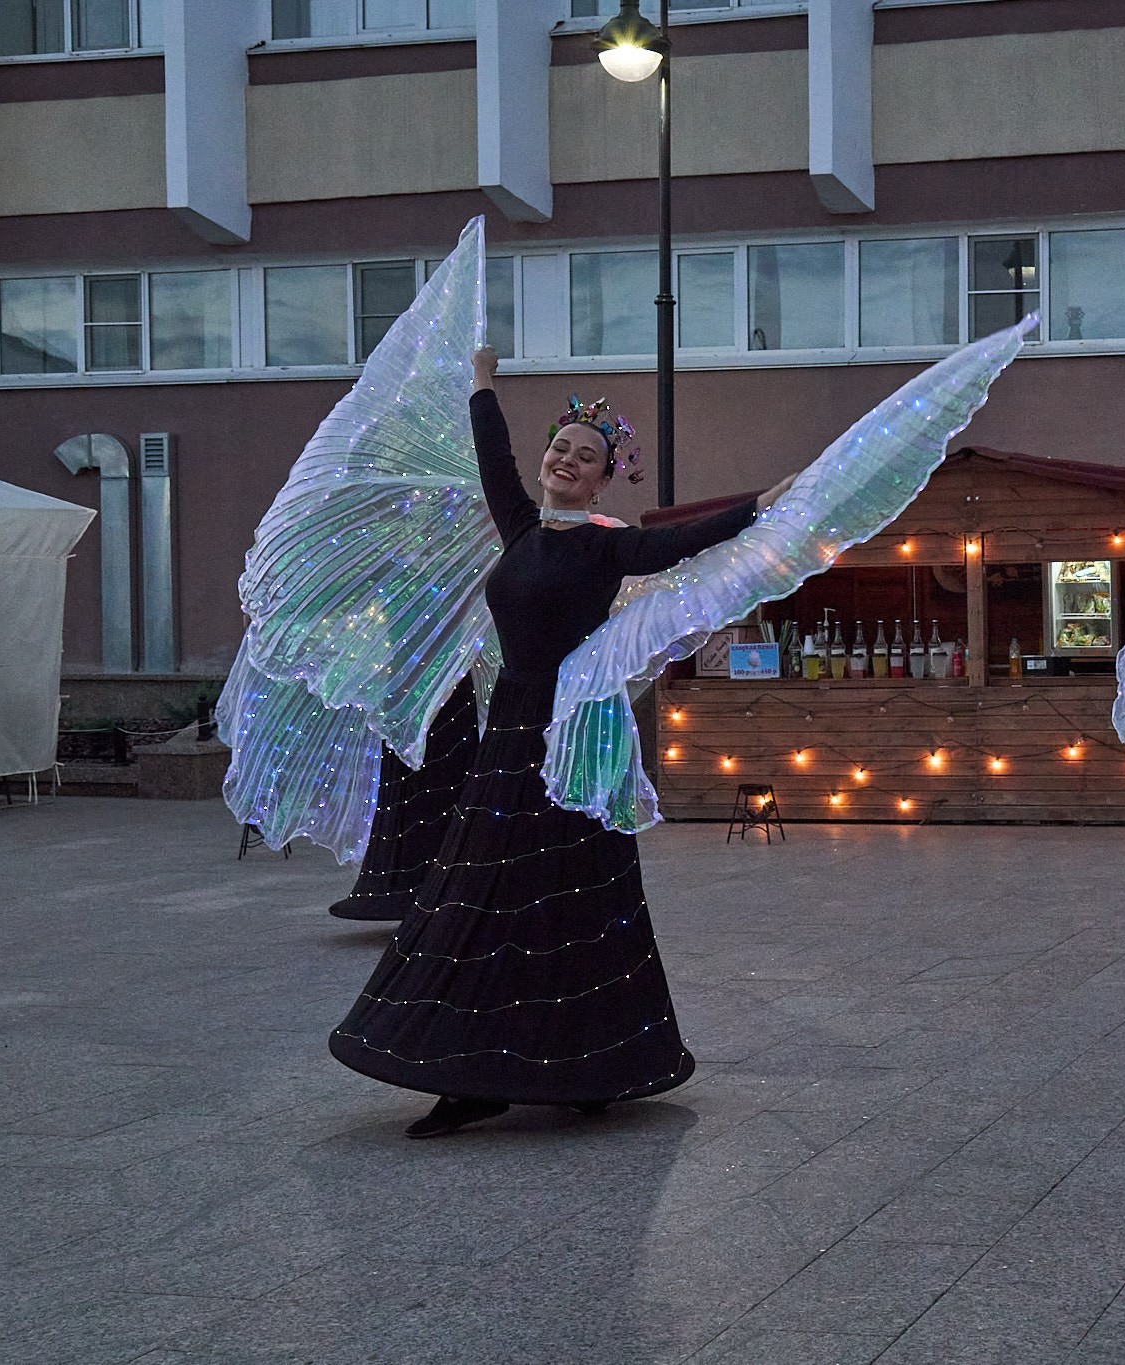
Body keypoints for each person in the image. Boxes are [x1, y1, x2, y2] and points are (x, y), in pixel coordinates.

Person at [330, 347, 798, 1137]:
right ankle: (469, 1074)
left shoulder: (607, 548)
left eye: (586, 456)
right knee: (480, 895)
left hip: (574, 738)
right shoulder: (518, 526)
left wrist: (760, 506)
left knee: (578, 900)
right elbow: (493, 455)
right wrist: (482, 381)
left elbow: (689, 539)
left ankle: (589, 1067)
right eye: (561, 447)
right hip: (509, 736)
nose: (567, 461)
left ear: (602, 480)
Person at [327, 678, 479, 921]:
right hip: (419, 687)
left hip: (435, 688)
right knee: (427, 777)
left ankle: (434, 882)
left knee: (440, 776)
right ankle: (428, 884)